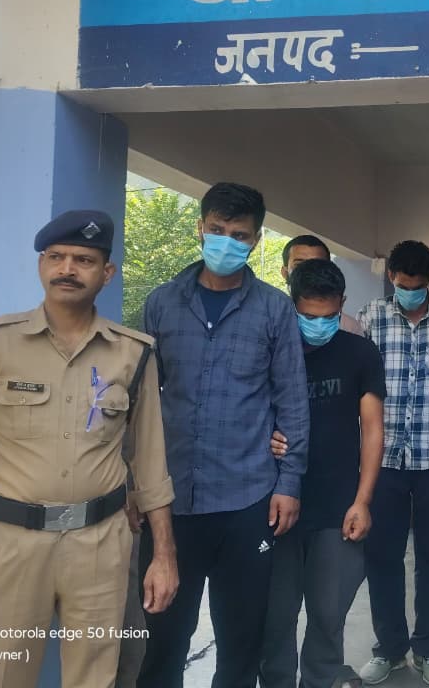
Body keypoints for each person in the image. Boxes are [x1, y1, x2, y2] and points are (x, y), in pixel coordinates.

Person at [0, 210, 179, 687]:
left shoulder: (133, 353)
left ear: (106, 273)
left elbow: (150, 465)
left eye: (84, 260)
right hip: (11, 544)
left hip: (101, 545)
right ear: (41, 264)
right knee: (6, 677)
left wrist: (164, 556)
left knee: (96, 680)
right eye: (56, 257)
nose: (67, 269)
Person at [138, 183, 311, 688]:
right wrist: (133, 481)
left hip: (246, 500)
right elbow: (142, 401)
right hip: (171, 503)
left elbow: (292, 400)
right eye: (217, 230)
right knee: (163, 641)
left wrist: (289, 482)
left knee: (240, 644)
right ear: (199, 228)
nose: (226, 242)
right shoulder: (161, 303)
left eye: (239, 235)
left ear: (256, 241)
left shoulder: (274, 309)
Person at [260, 259, 386, 688]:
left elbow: (373, 429)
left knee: (329, 614)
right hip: (277, 504)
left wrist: (363, 501)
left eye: (328, 316)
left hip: (338, 507)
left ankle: (320, 679)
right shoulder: (273, 349)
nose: (318, 325)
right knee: (275, 616)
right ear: (291, 304)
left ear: (342, 304)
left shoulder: (359, 353)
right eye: (308, 316)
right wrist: (266, 436)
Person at [357, 240, 429, 687]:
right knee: (382, 556)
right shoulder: (371, 317)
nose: (409, 293)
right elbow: (360, 390)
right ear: (391, 278)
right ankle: (389, 648)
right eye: (403, 285)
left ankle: (428, 649)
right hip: (382, 460)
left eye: (417, 285)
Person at [281, 234, 364, 335]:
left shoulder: (349, 327)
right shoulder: (271, 321)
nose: (309, 271)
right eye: (299, 265)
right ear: (284, 272)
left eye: (318, 264)